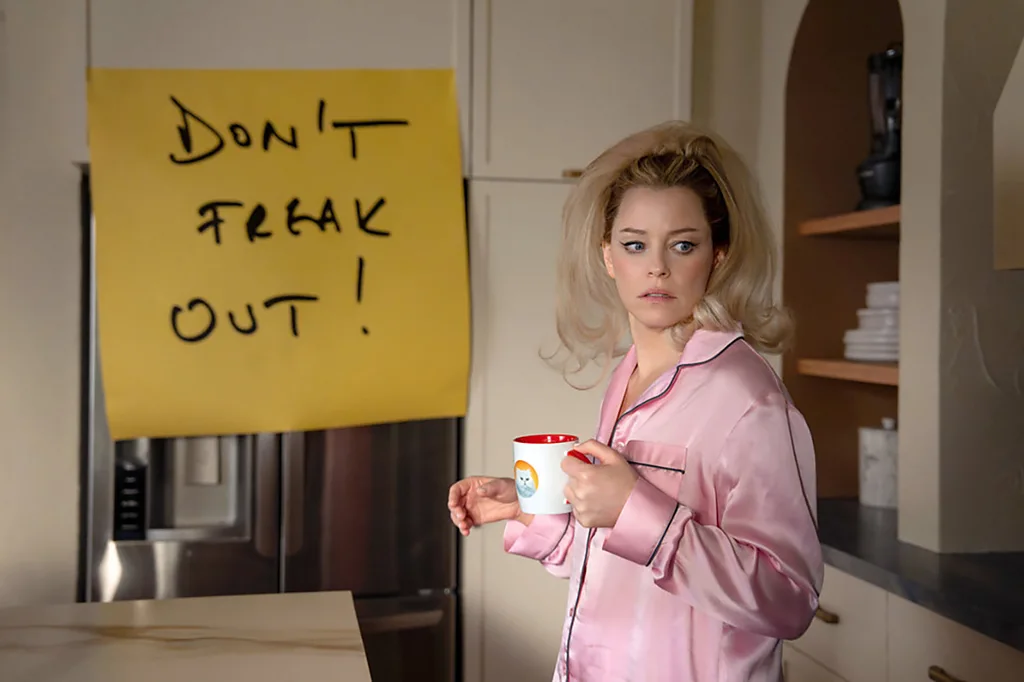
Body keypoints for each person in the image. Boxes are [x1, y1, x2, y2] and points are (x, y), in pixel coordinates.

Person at [447, 121, 824, 682]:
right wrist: (533, 511)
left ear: (717, 256)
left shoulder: (750, 403)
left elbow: (788, 599)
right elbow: (621, 562)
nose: (657, 267)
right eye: (634, 244)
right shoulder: (629, 379)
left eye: (683, 244)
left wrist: (637, 512)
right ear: (607, 256)